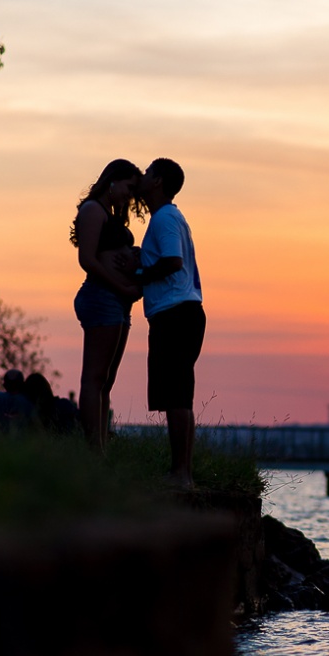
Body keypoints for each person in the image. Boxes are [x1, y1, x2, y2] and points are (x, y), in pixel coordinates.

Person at [135, 158, 206, 488]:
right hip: (183, 313)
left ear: (158, 181)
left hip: (175, 314)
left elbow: (173, 261)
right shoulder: (171, 218)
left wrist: (139, 273)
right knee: (180, 395)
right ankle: (183, 473)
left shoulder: (164, 217)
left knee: (177, 396)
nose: (142, 176)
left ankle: (180, 473)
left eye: (148, 172)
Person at [71, 159, 144, 451]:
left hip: (117, 303)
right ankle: (94, 451)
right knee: (94, 378)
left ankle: (101, 447)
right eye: (129, 187)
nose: (130, 195)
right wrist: (122, 287)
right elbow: (87, 260)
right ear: (112, 181)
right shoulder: (92, 210)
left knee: (106, 381)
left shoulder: (110, 214)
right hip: (102, 298)